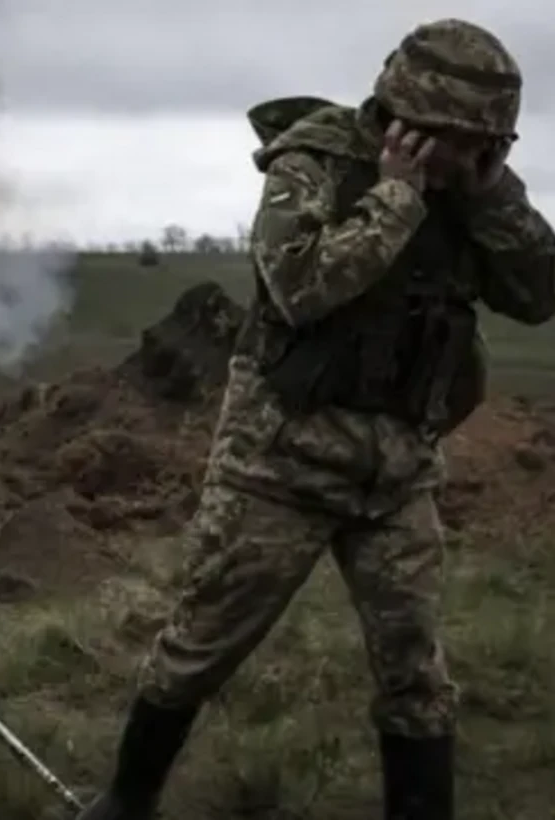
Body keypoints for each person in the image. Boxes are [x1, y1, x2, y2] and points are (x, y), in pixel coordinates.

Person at [77, 18, 555, 820]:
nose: (475, 158)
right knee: (201, 646)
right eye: (464, 141)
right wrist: (398, 197)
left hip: (397, 470)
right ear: (407, 122)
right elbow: (301, 288)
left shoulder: (476, 193)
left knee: (416, 674)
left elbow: (541, 297)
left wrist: (493, 195)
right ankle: (127, 800)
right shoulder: (315, 163)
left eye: (489, 145)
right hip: (282, 463)